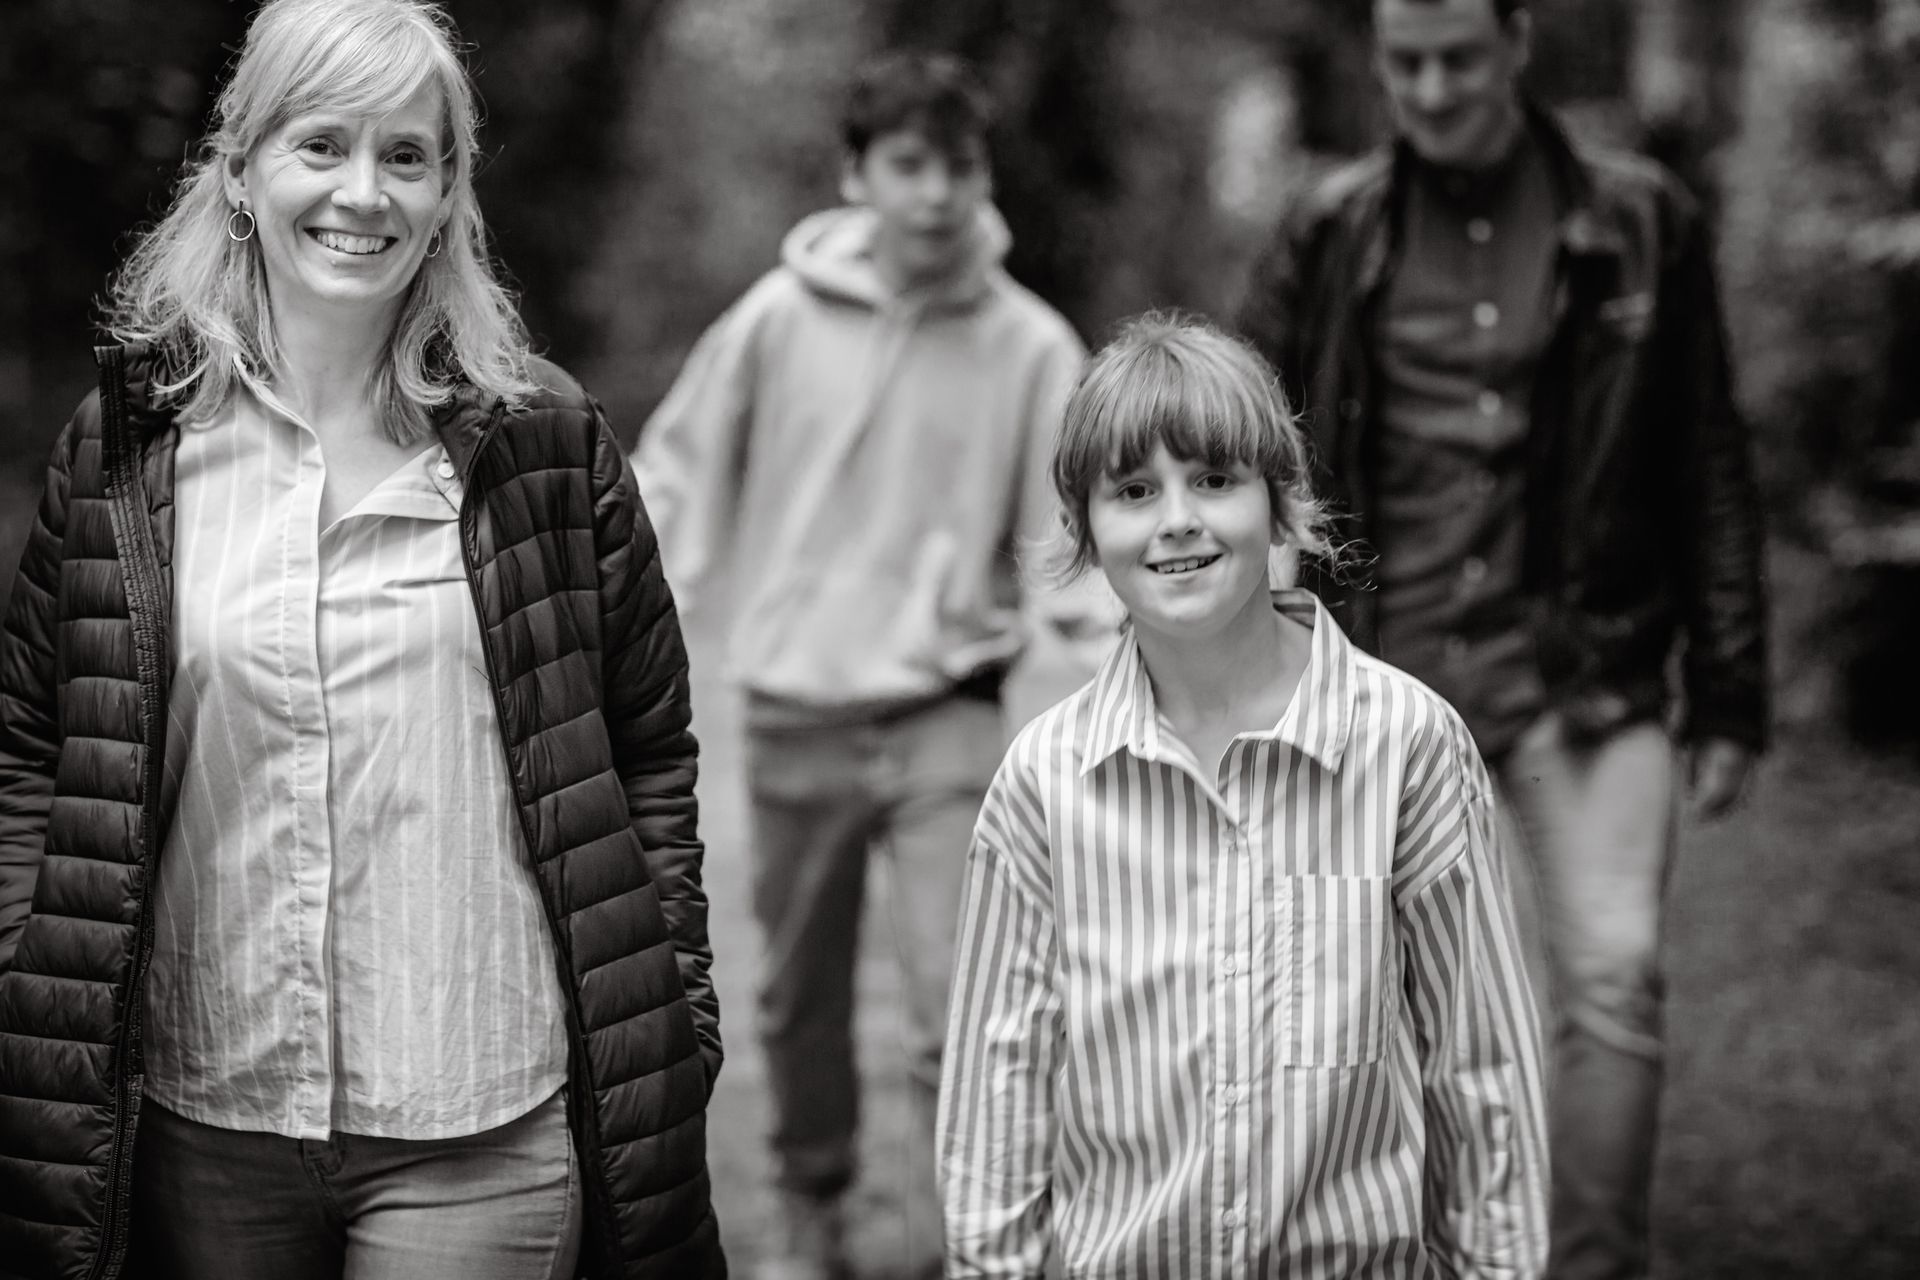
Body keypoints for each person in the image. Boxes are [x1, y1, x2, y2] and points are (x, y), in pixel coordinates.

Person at [0, 1, 725, 1276]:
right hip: (201, 1115)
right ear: (241, 170)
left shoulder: (544, 444)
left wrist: (671, 1012)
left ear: (449, 191)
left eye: (407, 154)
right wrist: (26, 992)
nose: (364, 192)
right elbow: (34, 756)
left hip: (483, 1119)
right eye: (321, 145)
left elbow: (647, 747)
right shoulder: (127, 446)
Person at [1234, 1, 1770, 1276]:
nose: (1428, 89)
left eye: (1457, 59)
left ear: (1517, 47)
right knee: (1374, 1010)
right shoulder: (1329, 226)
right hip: (1373, 680)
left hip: (1587, 669)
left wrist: (1732, 688)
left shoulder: (1643, 220)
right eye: (1403, 65)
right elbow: (1239, 449)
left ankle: (1588, 1261)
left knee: (1613, 977)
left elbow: (1706, 452)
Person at [938, 313, 1550, 1277]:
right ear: (1085, 533)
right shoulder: (1042, 786)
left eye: (1214, 480)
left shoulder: (1409, 746)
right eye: (1134, 491)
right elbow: (997, 1092)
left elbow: (1480, 1071)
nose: (1177, 518)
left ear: (1283, 503)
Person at [630, 49, 1097, 1280]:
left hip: (950, 709)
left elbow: (1078, 540)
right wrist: (604, 608)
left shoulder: (1033, 345)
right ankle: (811, 1217)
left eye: (958, 167)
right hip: (798, 706)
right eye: (908, 166)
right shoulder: (775, 322)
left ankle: (965, 1238)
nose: (937, 195)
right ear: (858, 175)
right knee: (799, 1000)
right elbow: (671, 477)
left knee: (962, 1000)